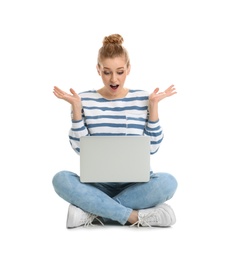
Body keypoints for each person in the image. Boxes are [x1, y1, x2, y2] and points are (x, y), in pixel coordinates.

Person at [52, 33, 178, 228]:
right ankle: (135, 217)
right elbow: (80, 150)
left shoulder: (144, 98)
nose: (113, 79)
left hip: (136, 185)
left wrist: (153, 107)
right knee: (61, 179)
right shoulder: (83, 99)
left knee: (168, 182)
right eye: (107, 72)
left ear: (128, 69)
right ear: (98, 70)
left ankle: (93, 212)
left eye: (120, 71)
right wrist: (77, 111)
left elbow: (152, 148)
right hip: (96, 186)